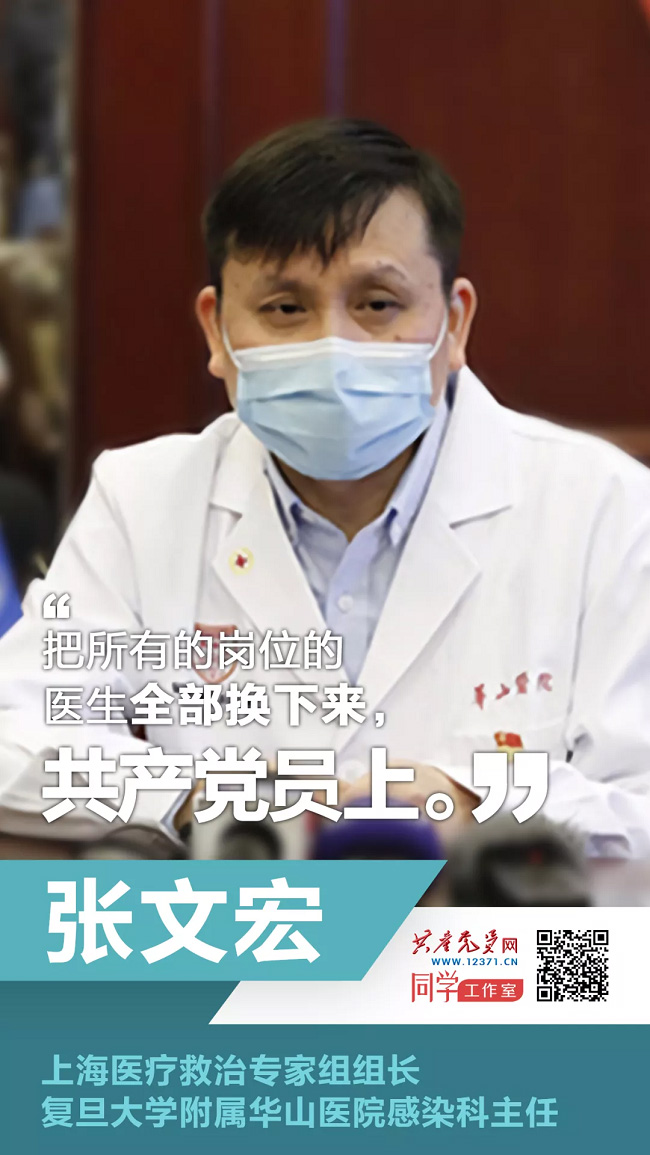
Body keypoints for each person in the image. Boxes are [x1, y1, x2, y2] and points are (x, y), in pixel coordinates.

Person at [0, 117, 649, 859]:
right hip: (247, 926)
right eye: (285, 309)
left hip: (492, 930)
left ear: (455, 322)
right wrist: (210, 796)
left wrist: (471, 803)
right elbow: (15, 736)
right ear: (216, 331)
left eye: (377, 304)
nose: (332, 347)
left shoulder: (607, 509)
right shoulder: (142, 500)